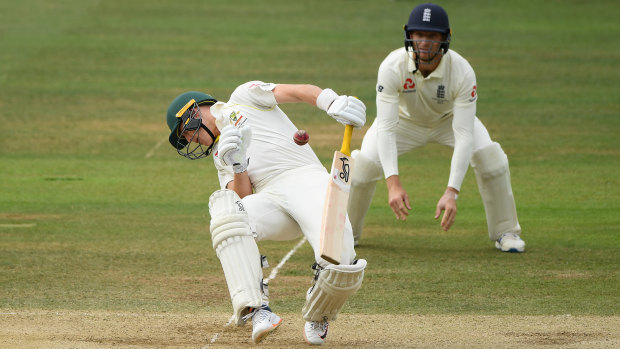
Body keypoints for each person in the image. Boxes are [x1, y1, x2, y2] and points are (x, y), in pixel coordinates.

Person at [165, 82, 368, 345]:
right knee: (227, 212)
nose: (190, 139)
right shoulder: (220, 154)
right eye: (185, 139)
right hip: (271, 201)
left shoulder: (242, 96)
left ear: (195, 110)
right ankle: (258, 310)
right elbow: (243, 200)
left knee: (342, 262)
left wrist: (331, 102)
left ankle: (320, 311)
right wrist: (237, 164)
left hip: (305, 180)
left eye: (186, 131)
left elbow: (297, 91)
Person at [347, 3, 525, 252]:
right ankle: (347, 234)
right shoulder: (391, 66)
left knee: (491, 158)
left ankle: (506, 232)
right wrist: (393, 184)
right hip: (403, 123)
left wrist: (452, 192)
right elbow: (386, 127)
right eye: (419, 35)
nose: (425, 42)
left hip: (449, 122)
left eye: (432, 36)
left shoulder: (462, 72)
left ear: (445, 37)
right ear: (409, 35)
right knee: (364, 166)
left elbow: (464, 134)